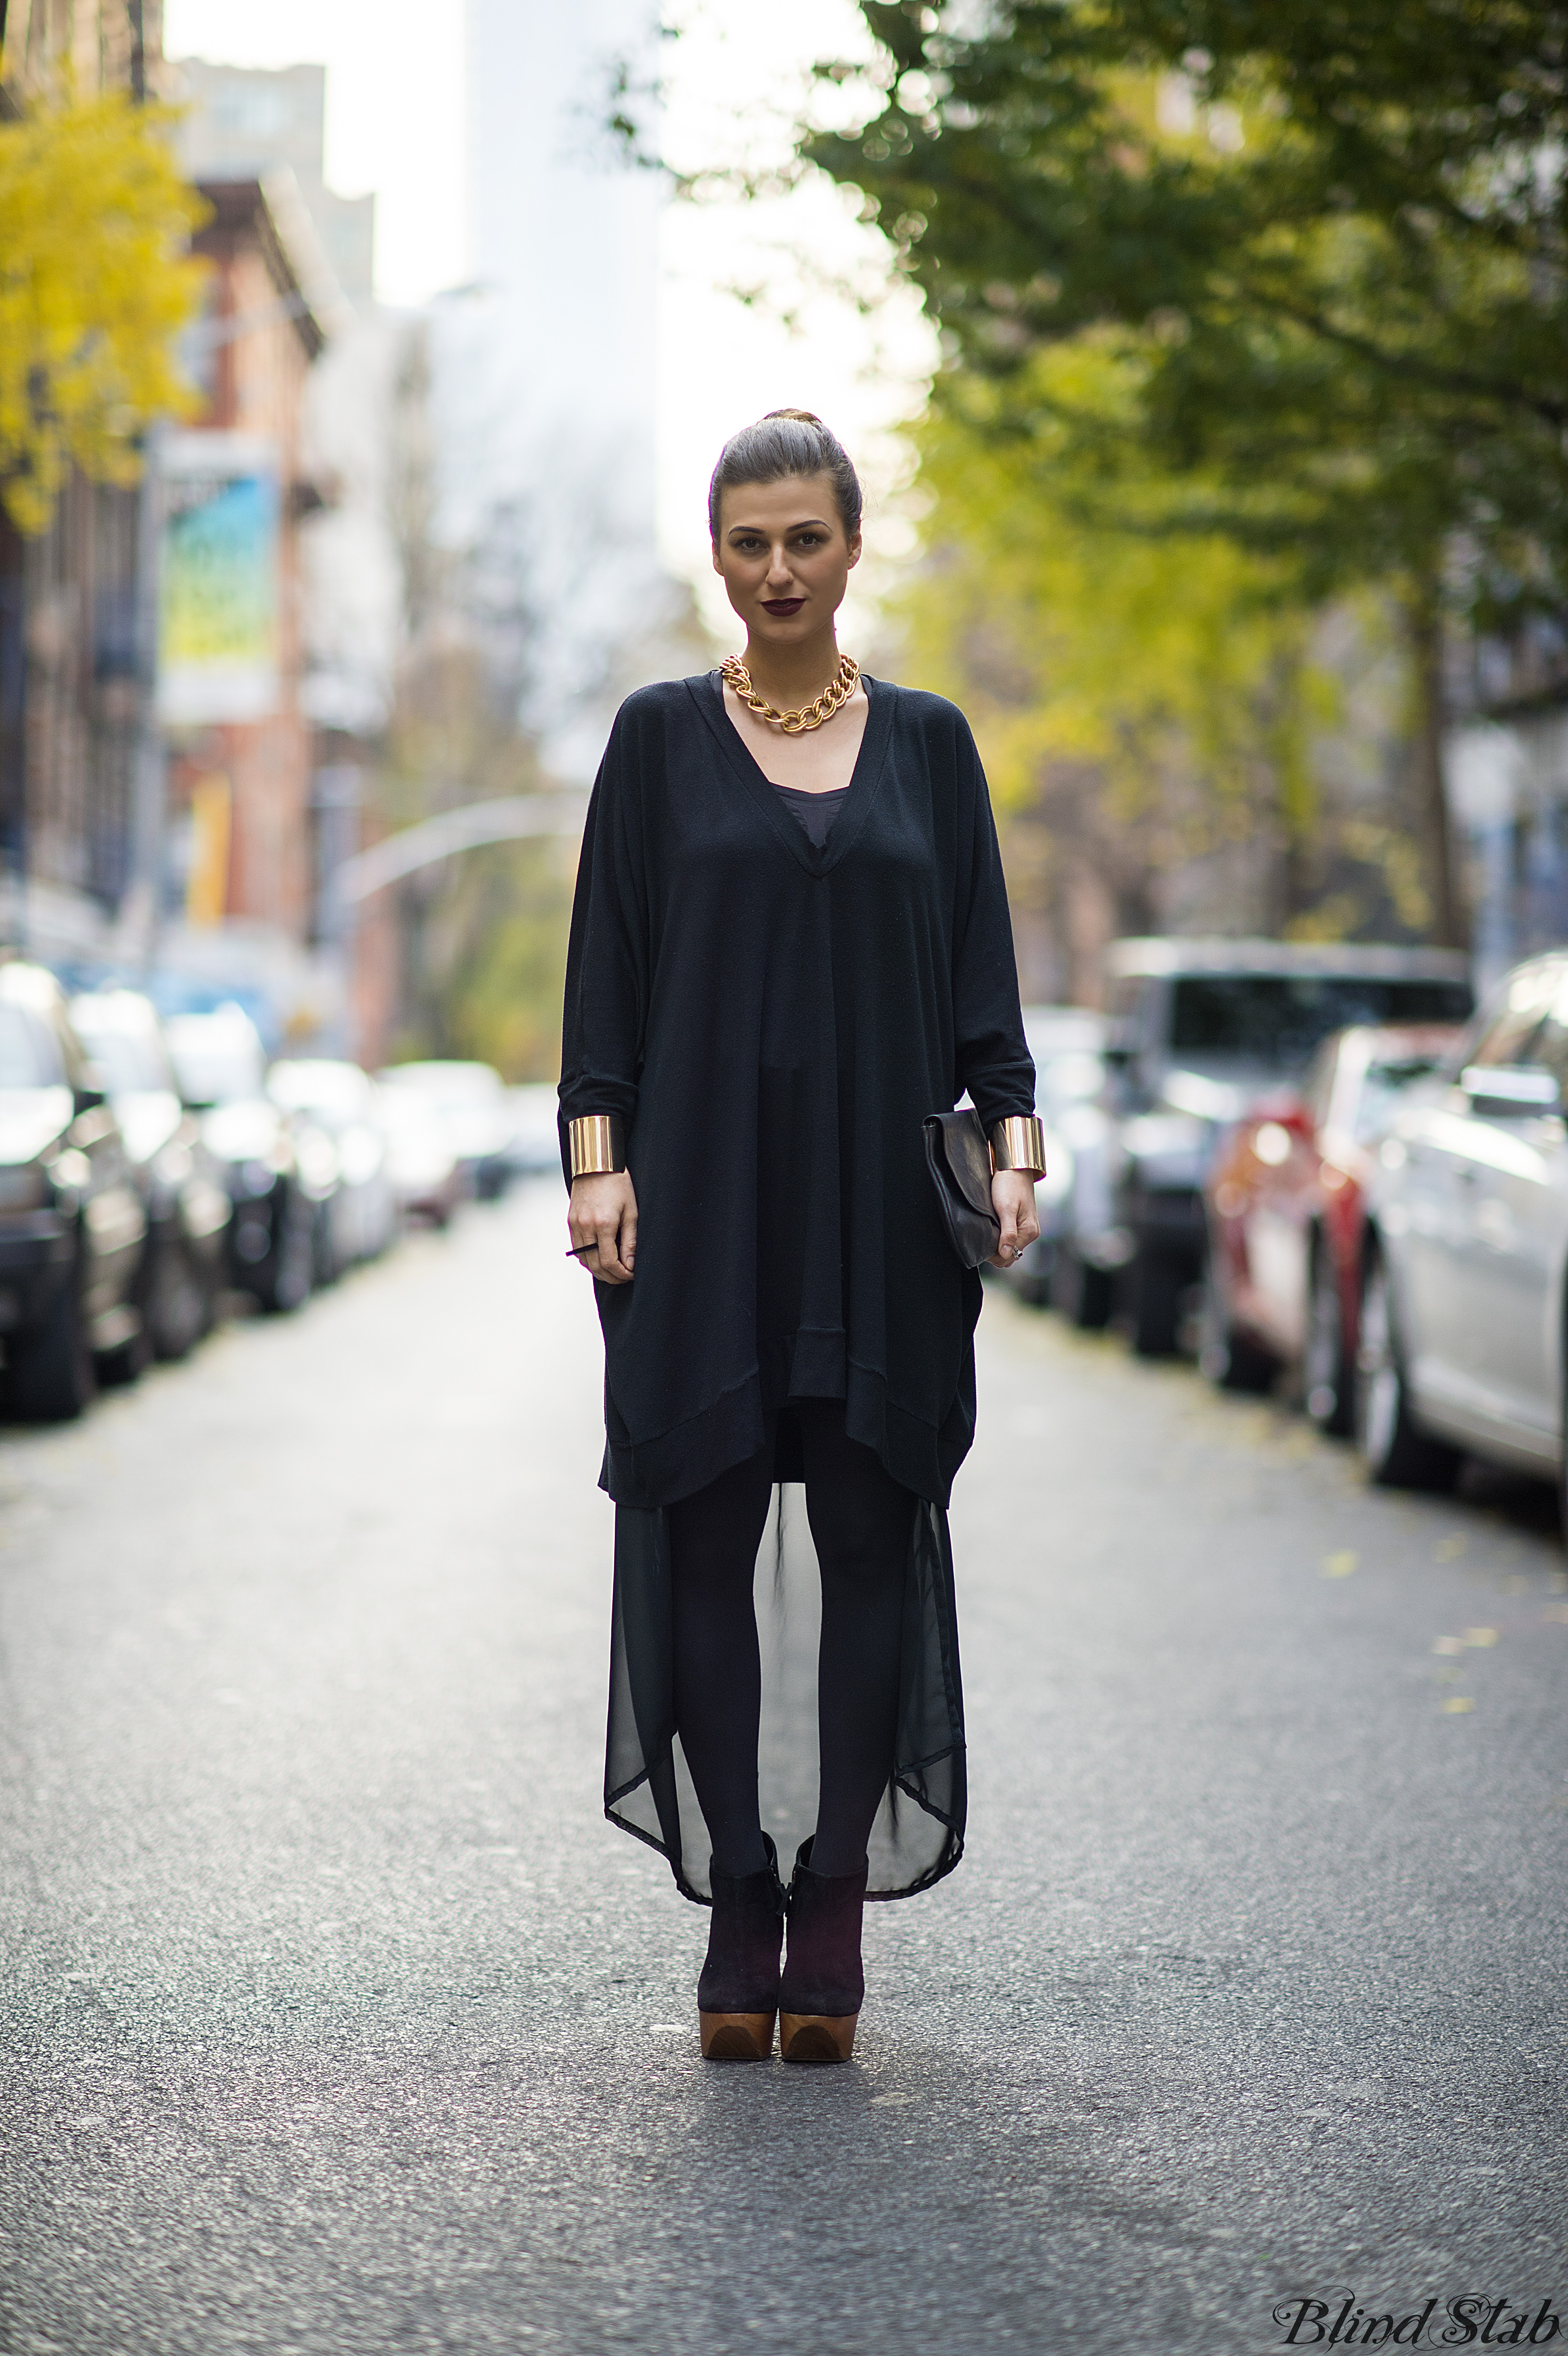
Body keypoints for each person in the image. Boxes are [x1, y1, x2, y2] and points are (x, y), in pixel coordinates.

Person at [559, 409, 1043, 2065]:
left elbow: (986, 982)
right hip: (698, 1202)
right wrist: (596, 1165)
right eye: (749, 541)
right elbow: (604, 977)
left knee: (865, 1529)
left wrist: (1019, 1151)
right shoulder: (654, 742)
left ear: (852, 547)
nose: (779, 569)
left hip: (882, 1207)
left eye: (806, 539)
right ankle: (739, 1893)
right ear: (717, 554)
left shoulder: (931, 745)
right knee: (700, 1531)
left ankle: (832, 1887)